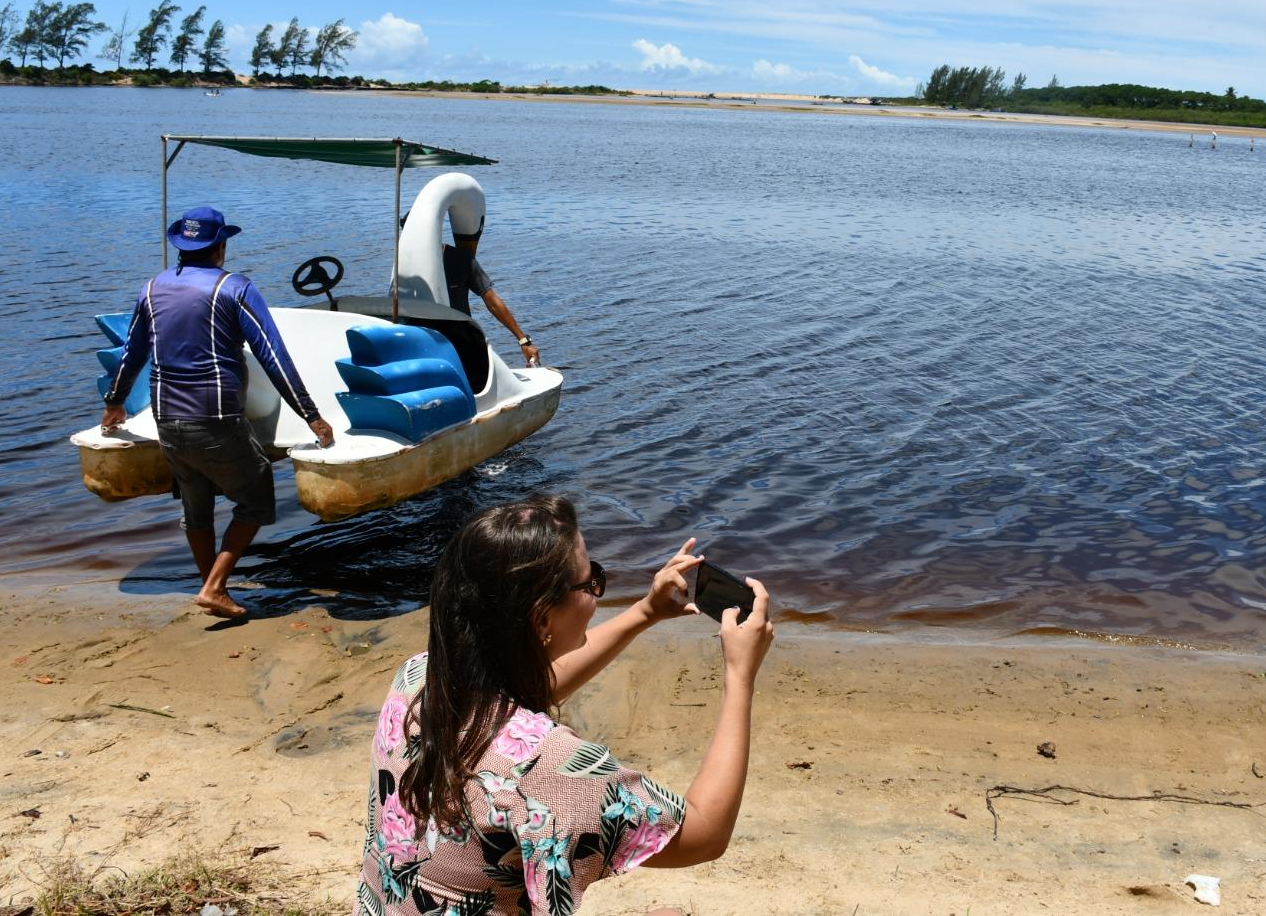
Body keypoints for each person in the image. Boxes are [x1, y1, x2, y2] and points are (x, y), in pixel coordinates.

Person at [356, 496, 774, 915]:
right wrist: (740, 676)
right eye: (591, 582)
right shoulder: (552, 768)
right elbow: (705, 834)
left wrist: (646, 611)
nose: (596, 591)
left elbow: (525, 696)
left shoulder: (417, 680)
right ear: (541, 621)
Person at [100, 207, 335, 620]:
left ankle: (210, 583)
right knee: (257, 497)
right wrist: (310, 415)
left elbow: (132, 353)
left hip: (167, 417)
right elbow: (273, 355)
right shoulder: (234, 288)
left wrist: (115, 403)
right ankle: (214, 587)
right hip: (217, 417)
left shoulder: (152, 288)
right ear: (220, 247)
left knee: (196, 503)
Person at [443, 220, 541, 367]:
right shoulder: (404, 266)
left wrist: (523, 340)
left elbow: (491, 301)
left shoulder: (461, 260)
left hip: (460, 339)